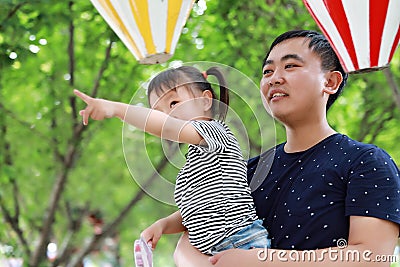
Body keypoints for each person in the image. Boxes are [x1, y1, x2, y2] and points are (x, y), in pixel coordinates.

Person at [173, 30, 400, 267]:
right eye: (267, 71)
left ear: (330, 82)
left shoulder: (366, 162)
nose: (274, 79)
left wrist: (261, 261)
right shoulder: (245, 171)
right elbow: (188, 244)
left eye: (290, 66)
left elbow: (372, 257)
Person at [74, 66, 270, 265]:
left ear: (205, 100)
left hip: (240, 244)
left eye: (174, 102)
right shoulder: (194, 161)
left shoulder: (215, 133)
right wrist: (163, 225)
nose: (166, 115)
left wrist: (115, 109)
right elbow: (200, 210)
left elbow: (165, 126)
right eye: (158, 111)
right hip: (216, 251)